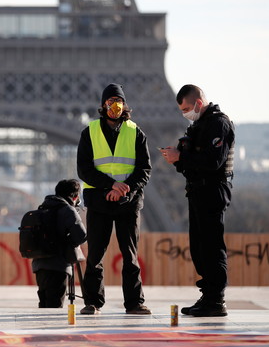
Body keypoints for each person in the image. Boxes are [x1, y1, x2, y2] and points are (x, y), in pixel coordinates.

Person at [76, 83, 152, 315]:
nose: (114, 106)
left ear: (125, 105)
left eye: (118, 101)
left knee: (129, 256)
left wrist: (124, 188)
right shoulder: (89, 132)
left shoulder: (135, 132)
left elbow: (144, 169)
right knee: (96, 255)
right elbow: (84, 170)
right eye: (110, 101)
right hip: (100, 200)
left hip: (127, 202)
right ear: (103, 105)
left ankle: (134, 303)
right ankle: (93, 302)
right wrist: (111, 185)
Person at [160, 84, 234, 317]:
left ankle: (216, 299)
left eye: (187, 109)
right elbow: (193, 163)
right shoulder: (198, 125)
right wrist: (178, 159)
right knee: (200, 247)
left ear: (199, 103)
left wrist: (182, 156)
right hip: (197, 191)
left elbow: (213, 162)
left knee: (211, 246)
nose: (185, 114)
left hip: (212, 191)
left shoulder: (218, 124)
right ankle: (209, 295)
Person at [32, 179, 87, 308]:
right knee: (54, 307)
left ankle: (42, 327)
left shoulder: (42, 208)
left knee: (44, 304)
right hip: (59, 266)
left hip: (39, 265)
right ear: (75, 196)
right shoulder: (68, 210)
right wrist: (67, 243)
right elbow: (81, 236)